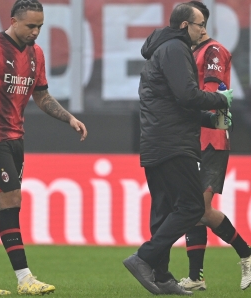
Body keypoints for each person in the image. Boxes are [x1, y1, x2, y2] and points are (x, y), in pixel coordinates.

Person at [0, 0, 87, 295]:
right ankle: (25, 278)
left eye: (39, 26)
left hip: (14, 137)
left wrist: (69, 118)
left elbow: (42, 97)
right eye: (30, 26)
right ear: (13, 21)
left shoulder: (36, 54)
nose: (35, 32)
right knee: (11, 200)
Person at [122, 3, 233, 295]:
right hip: (174, 144)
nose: (203, 30)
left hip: (157, 141)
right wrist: (221, 101)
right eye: (200, 24)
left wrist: (210, 119)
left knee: (163, 211)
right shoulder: (175, 49)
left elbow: (172, 102)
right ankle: (144, 258)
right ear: (185, 26)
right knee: (192, 207)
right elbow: (187, 95)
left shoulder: (162, 50)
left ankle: (161, 277)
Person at [177, 1, 251, 291]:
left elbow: (211, 93)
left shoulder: (213, 51)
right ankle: (196, 278)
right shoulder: (189, 51)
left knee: (200, 209)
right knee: (191, 207)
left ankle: (246, 254)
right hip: (193, 137)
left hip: (212, 138)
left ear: (195, 25)